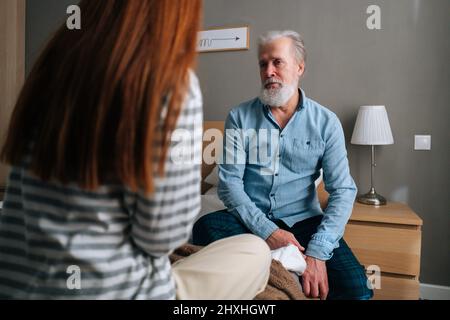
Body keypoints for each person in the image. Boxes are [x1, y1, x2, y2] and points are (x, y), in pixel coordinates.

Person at [0, 0, 271, 300]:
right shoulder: (172, 85)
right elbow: (162, 237)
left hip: (19, 288)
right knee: (254, 251)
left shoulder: (51, 68)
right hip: (118, 293)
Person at [193, 30, 373, 300]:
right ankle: (286, 267)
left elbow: (343, 191)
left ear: (300, 67)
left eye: (277, 62)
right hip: (251, 222)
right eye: (263, 64)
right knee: (205, 227)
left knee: (358, 290)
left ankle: (284, 264)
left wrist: (317, 252)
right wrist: (269, 232)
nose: (269, 71)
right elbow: (229, 186)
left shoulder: (326, 122)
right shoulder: (239, 117)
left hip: (305, 222)